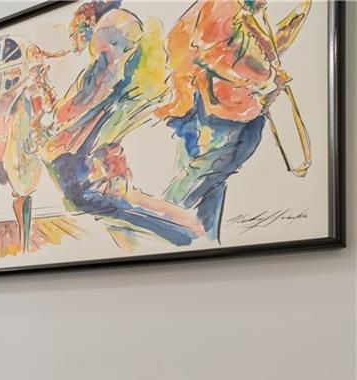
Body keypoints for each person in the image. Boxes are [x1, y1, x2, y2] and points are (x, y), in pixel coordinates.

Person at [43, 0, 206, 246]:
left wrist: (65, 114)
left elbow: (103, 81)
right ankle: (163, 235)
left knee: (81, 188)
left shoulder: (108, 27)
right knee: (112, 190)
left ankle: (184, 231)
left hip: (121, 107)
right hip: (129, 107)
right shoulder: (124, 21)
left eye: (77, 31)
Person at [158, 0, 312, 239]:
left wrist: (295, 20)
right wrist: (268, 77)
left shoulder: (250, 10)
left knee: (214, 180)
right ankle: (166, 222)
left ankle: (202, 241)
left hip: (239, 106)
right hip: (217, 108)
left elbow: (264, 48)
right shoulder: (222, 5)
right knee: (203, 176)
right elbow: (217, 53)